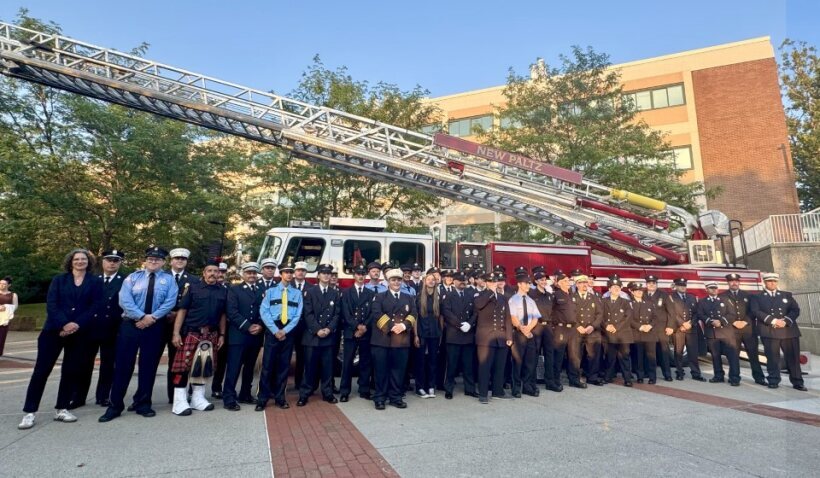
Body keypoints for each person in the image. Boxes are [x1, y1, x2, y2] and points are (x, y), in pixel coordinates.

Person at [19, 249, 103, 430]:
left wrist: (76, 325)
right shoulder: (59, 280)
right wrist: (64, 324)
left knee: (70, 371)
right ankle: (29, 412)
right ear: (70, 262)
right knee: (41, 371)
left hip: (79, 333)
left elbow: (95, 306)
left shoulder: (95, 281)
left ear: (89, 262)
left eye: (83, 259)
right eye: (76, 259)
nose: (80, 261)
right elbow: (52, 304)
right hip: (53, 331)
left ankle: (62, 408)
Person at [99, 246, 178, 423]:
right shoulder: (132, 278)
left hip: (155, 326)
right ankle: (115, 406)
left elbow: (170, 302)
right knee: (122, 366)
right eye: (150, 258)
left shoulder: (169, 280)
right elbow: (124, 300)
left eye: (157, 259)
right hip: (131, 325)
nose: (153, 261)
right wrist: (141, 317)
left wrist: (152, 318)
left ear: (163, 262)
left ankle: (143, 403)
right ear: (145, 260)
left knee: (148, 366)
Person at [169, 261, 227, 415]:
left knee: (203, 367)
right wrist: (176, 333)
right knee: (182, 368)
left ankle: (197, 399)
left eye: (216, 271)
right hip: (191, 333)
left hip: (211, 334)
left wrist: (222, 334)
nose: (213, 273)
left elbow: (222, 314)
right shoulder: (193, 288)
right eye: (209, 271)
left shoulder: (223, 291)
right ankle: (179, 402)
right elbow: (182, 311)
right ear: (204, 273)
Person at [71, 249, 125, 408]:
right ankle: (78, 397)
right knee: (84, 363)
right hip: (90, 328)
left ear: (120, 263)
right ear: (103, 261)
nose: (112, 263)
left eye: (116, 260)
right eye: (109, 260)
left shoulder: (125, 281)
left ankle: (103, 396)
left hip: (112, 328)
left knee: (108, 364)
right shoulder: (93, 279)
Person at [257, 262, 303, 410]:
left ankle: (280, 398)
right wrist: (275, 330)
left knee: (284, 367)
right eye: (286, 272)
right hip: (273, 330)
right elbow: (264, 312)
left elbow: (297, 315)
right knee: (267, 366)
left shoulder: (297, 294)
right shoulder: (270, 292)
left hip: (288, 331)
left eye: (291, 272)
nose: (289, 274)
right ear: (281, 274)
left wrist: (285, 331)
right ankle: (262, 398)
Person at [370, 268, 417, 410]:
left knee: (398, 371)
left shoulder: (408, 297)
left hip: (401, 340)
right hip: (382, 340)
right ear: (388, 281)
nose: (396, 282)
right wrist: (392, 327)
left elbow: (413, 313)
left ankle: (395, 397)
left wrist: (403, 325)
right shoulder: (379, 297)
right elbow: (377, 313)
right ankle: (380, 398)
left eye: (399, 280)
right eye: (393, 280)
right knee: (381, 371)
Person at [750, 273, 806, 391]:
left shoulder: (787, 295)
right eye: (769, 281)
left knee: (793, 358)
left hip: (788, 331)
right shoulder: (757, 296)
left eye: (774, 281)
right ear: (764, 282)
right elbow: (755, 311)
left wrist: (786, 321)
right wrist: (773, 321)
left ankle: (797, 382)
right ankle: (773, 380)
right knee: (772, 358)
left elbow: (795, 310)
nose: (772, 283)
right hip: (769, 330)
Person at [223, 262, 265, 411]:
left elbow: (265, 310)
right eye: (249, 272)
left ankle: (245, 394)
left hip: (256, 336)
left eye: (254, 273)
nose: (252, 275)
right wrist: (248, 326)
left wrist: (260, 325)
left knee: (249, 367)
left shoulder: (261, 290)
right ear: (243, 274)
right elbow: (232, 312)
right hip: (239, 335)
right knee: (234, 368)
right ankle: (229, 397)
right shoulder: (234, 289)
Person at [298, 264, 341, 406]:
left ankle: (327, 393)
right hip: (312, 337)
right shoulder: (310, 292)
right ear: (318, 275)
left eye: (329, 273)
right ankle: (304, 394)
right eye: (323, 273)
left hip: (328, 336)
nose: (327, 275)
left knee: (328, 368)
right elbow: (307, 313)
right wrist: (317, 330)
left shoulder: (335, 293)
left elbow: (337, 314)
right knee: (309, 368)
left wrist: (328, 329)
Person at [162, 248, 199, 404]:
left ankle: (175, 396)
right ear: (171, 260)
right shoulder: (161, 276)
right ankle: (142, 398)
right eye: (177, 258)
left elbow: (194, 303)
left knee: (179, 363)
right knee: (149, 362)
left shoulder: (194, 280)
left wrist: (177, 314)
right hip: (159, 324)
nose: (179, 261)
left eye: (183, 259)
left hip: (181, 327)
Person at [474, 273, 513, 404]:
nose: (493, 283)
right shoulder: (480, 295)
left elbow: (507, 318)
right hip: (485, 337)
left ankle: (498, 391)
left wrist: (509, 336)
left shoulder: (503, 298)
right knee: (485, 366)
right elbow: (479, 305)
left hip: (500, 336)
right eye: (490, 281)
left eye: (495, 281)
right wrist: (490, 292)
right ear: (486, 282)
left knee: (499, 366)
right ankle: (483, 393)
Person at [721, 273, 766, 386]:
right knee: (733, 355)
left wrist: (745, 321)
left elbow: (753, 311)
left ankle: (759, 378)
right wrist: (733, 322)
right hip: (732, 330)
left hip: (748, 330)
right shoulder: (722, 296)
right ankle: (734, 378)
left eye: (736, 281)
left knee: (753, 355)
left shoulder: (749, 295)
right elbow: (721, 312)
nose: (734, 283)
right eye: (731, 281)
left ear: (739, 282)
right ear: (728, 283)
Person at [339, 265, 375, 402]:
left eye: (363, 274)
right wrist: (357, 327)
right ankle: (344, 391)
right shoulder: (346, 292)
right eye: (358, 274)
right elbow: (346, 313)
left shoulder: (370, 293)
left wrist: (364, 327)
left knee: (365, 362)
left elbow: (372, 313)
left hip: (366, 332)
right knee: (347, 362)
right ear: (354, 275)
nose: (360, 276)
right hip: (351, 332)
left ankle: (364, 389)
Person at [441, 271, 477, 399]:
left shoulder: (471, 295)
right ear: (454, 281)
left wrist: (469, 324)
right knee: (451, 365)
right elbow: (447, 312)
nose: (462, 282)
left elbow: (475, 312)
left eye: (464, 280)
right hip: (454, 334)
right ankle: (449, 389)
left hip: (468, 334)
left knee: (468, 365)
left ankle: (470, 389)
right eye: (460, 280)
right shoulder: (448, 295)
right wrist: (459, 324)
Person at [696, 282, 740, 386]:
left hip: (726, 333)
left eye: (715, 288)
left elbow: (732, 314)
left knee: (732, 357)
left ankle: (734, 378)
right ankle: (718, 376)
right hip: (712, 333)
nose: (714, 290)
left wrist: (721, 321)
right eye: (711, 288)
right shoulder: (702, 302)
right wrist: (710, 321)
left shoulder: (725, 300)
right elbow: (700, 314)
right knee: (715, 356)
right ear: (706, 289)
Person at [508, 271, 540, 398]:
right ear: (519, 284)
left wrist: (528, 329)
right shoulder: (513, 300)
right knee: (517, 362)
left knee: (529, 362)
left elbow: (535, 318)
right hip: (518, 334)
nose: (528, 286)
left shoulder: (531, 301)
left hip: (529, 333)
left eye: (529, 283)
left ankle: (527, 387)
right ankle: (516, 388)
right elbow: (513, 317)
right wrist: (522, 329)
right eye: (526, 283)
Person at [570, 275, 604, 386]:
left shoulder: (594, 297)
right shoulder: (571, 297)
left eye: (585, 282)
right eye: (581, 283)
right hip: (577, 330)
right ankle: (575, 378)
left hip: (592, 331)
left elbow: (600, 314)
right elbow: (569, 313)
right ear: (577, 285)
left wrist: (593, 326)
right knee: (576, 355)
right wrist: (577, 326)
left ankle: (592, 377)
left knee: (593, 355)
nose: (584, 285)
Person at [414, 270, 443, 398]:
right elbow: (415, 317)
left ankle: (431, 386)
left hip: (434, 333)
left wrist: (440, 333)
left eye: (433, 279)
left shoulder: (438, 297)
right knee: (421, 361)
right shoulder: (419, 297)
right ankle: (420, 387)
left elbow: (441, 317)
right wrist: (415, 335)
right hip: (422, 333)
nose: (431, 281)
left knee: (433, 361)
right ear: (424, 282)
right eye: (429, 279)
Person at [669, 278, 704, 381]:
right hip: (679, 329)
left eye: (684, 285)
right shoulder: (671, 298)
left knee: (693, 353)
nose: (683, 287)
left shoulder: (691, 297)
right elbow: (671, 313)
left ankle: (696, 373)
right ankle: (679, 373)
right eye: (680, 285)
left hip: (691, 329)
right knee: (678, 352)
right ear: (676, 286)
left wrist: (690, 323)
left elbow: (697, 313)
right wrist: (682, 324)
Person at [529, 270, 558, 392]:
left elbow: (554, 311)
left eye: (545, 279)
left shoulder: (549, 295)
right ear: (536, 281)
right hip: (536, 326)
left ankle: (549, 381)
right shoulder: (531, 294)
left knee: (549, 354)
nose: (544, 281)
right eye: (541, 280)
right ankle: (532, 382)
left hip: (548, 327)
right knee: (534, 355)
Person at [602, 277, 634, 387]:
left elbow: (628, 317)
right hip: (609, 333)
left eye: (618, 287)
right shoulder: (603, 301)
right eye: (614, 287)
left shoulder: (625, 302)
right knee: (610, 357)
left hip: (623, 333)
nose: (616, 289)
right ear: (609, 289)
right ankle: (608, 376)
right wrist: (606, 325)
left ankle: (627, 379)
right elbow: (600, 315)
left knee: (624, 357)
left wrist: (616, 327)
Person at [552, 272, 580, 388]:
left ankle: (574, 379)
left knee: (574, 356)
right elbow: (550, 312)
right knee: (558, 356)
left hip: (573, 329)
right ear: (559, 283)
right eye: (564, 281)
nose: (567, 283)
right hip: (560, 329)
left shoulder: (573, 295)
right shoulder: (555, 295)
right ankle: (555, 380)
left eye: (568, 280)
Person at [629, 282, 661, 384]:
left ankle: (652, 377)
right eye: (637, 291)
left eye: (641, 291)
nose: (639, 292)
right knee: (638, 357)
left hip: (650, 333)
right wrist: (640, 327)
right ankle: (640, 376)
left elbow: (656, 317)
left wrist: (650, 326)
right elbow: (628, 319)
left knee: (651, 357)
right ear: (632, 292)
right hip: (637, 333)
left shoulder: (649, 303)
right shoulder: (629, 304)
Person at [645, 275, 675, 382]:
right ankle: (652, 376)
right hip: (648, 329)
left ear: (656, 284)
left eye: (653, 283)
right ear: (646, 284)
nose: (651, 285)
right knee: (650, 354)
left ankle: (667, 374)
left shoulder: (664, 295)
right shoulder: (643, 295)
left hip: (662, 329)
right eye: (649, 283)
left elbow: (671, 312)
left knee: (664, 353)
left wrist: (670, 326)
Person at [291, 261, 310, 391]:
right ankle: (279, 384)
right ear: (294, 272)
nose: (300, 272)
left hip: (304, 327)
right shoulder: (288, 286)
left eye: (303, 270)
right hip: (289, 327)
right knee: (285, 355)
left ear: (306, 273)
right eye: (298, 270)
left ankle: (299, 382)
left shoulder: (311, 287)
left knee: (302, 356)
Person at [0, 276, 19, 357]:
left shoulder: (13, 295)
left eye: (4, 284)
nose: (1, 285)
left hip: (4, 318)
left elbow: (15, 306)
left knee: (1, 336)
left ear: (9, 285)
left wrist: (6, 307)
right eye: (0, 283)